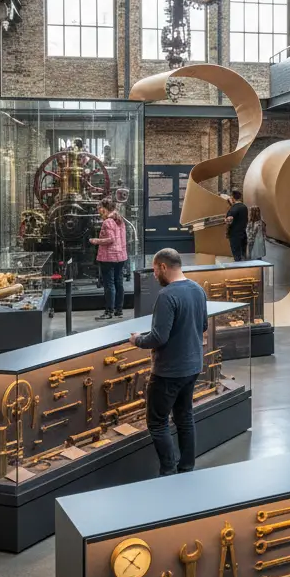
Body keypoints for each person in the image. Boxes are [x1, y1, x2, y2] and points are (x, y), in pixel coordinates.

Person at [129, 249, 208, 476]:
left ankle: (168, 472)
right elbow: (203, 325)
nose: (155, 275)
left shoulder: (166, 296)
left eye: (155, 270)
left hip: (168, 372)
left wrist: (137, 340)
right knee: (184, 417)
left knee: (157, 422)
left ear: (163, 267)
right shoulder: (198, 290)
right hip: (193, 367)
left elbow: (158, 338)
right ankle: (187, 468)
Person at [89, 197, 128, 321]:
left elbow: (111, 239)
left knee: (109, 284)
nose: (99, 211)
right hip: (120, 256)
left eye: (99, 209)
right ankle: (119, 310)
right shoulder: (120, 220)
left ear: (104, 209)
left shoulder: (108, 222)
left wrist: (96, 241)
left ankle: (109, 311)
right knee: (119, 283)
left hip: (108, 257)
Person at [224, 189, 248, 262]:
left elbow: (229, 220)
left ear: (233, 198)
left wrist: (225, 221)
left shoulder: (234, 208)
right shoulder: (244, 207)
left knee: (236, 255)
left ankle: (238, 267)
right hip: (243, 233)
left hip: (235, 234)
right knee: (243, 254)